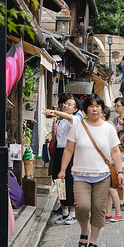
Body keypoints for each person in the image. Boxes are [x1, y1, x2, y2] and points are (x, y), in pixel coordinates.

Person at [57, 94, 124, 247]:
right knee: (82, 207)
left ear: (102, 108)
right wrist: (62, 170)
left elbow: (115, 151)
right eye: (92, 106)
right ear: (86, 108)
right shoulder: (78, 127)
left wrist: (120, 172)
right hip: (80, 175)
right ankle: (84, 231)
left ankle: (93, 240)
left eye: (98, 106)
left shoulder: (108, 128)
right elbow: (68, 149)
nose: (95, 109)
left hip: (103, 176)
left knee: (98, 209)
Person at [46, 93, 83, 225]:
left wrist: (54, 112)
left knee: (69, 182)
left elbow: (70, 118)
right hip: (59, 151)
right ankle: (64, 211)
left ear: (75, 109)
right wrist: (54, 131)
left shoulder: (76, 119)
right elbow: (57, 141)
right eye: (65, 104)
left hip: (70, 153)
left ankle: (73, 213)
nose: (66, 106)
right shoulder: (61, 121)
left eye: (70, 105)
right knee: (59, 181)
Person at [102, 105, 124, 223]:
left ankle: (118, 213)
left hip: (110, 162)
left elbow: (113, 148)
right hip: (107, 162)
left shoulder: (108, 125)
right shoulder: (108, 125)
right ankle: (109, 213)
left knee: (111, 188)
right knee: (108, 190)